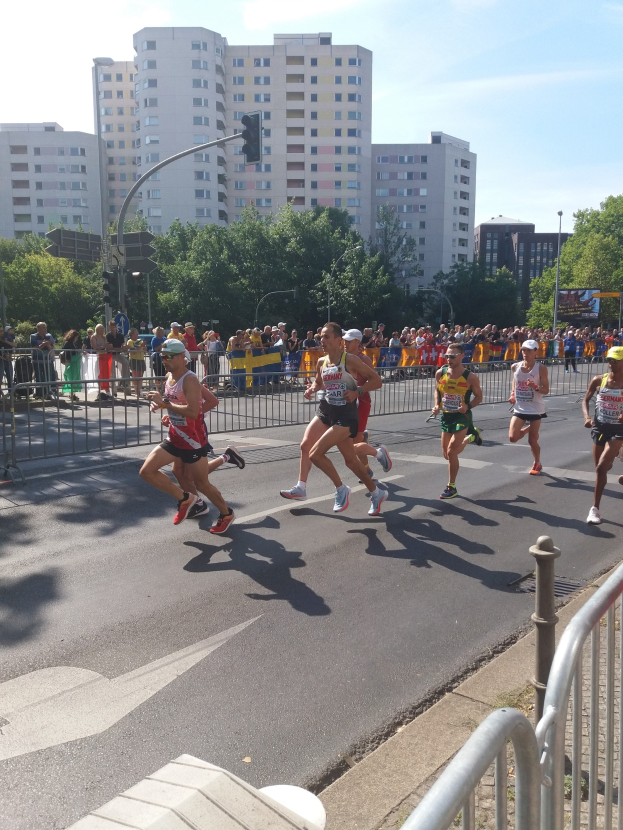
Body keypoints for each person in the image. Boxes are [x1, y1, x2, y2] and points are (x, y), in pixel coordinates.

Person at [280, 322, 389, 516]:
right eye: (321, 337)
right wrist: (312, 389)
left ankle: (341, 489)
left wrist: (358, 391)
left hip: (345, 415)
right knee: (348, 460)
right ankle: (377, 492)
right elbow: (319, 382)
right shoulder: (321, 362)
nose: (322, 340)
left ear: (339, 340)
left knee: (316, 454)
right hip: (326, 410)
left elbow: (377, 380)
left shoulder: (351, 360)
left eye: (327, 337)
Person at [141, 339, 244, 533]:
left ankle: (226, 513)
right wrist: (165, 411)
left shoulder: (190, 379)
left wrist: (167, 406)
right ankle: (186, 499)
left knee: (201, 483)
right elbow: (173, 403)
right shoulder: (169, 376)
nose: (164, 360)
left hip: (192, 439)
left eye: (168, 356)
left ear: (182, 357)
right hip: (175, 436)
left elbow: (192, 411)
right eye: (162, 356)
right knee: (147, 471)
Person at [432, 342, 483, 499]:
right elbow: (437, 391)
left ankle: (451, 487)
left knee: (451, 451)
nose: (449, 359)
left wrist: (467, 406)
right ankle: (471, 437)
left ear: (462, 356)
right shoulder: (440, 373)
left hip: (462, 416)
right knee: (447, 456)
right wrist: (436, 405)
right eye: (447, 356)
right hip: (446, 416)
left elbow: (479, 397)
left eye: (452, 356)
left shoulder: (470, 377)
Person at [341, 329, 392, 478]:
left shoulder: (364, 360)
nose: (345, 343)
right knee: (349, 442)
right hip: (345, 404)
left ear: (358, 342)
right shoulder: (342, 358)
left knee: (353, 444)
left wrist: (359, 391)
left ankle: (378, 454)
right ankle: (367, 469)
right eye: (344, 340)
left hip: (361, 403)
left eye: (349, 341)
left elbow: (376, 382)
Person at [166, 382, 221, 518]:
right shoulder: (171, 378)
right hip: (179, 431)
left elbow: (212, 401)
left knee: (194, 478)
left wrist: (190, 415)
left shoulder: (189, 379)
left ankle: (213, 508)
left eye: (168, 358)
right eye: (164, 359)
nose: (166, 362)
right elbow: (177, 407)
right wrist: (172, 417)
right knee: (177, 471)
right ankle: (197, 503)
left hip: (194, 433)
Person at [582, 346, 623, 524]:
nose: (610, 364)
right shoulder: (599, 380)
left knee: (601, 468)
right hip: (599, 428)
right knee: (600, 470)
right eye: (609, 360)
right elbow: (585, 399)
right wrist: (587, 417)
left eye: (615, 360)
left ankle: (594, 509)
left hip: (619, 430)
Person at [508, 339, 549, 475]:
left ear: (536, 352)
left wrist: (535, 386)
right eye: (524, 350)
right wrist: (513, 394)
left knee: (532, 441)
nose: (525, 353)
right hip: (520, 407)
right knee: (512, 438)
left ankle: (537, 463)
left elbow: (546, 390)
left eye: (529, 350)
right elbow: (515, 380)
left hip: (535, 408)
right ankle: (527, 430)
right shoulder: (515, 366)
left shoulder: (541, 368)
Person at [30, 321, 56, 400]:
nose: (45, 329)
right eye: (43, 328)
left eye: (46, 327)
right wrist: (43, 345)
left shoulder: (49, 336)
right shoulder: (33, 336)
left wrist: (48, 346)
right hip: (37, 360)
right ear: (38, 329)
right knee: (39, 377)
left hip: (47, 360)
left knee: (48, 377)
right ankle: (39, 394)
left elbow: (53, 347)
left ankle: (48, 393)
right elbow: (34, 348)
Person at [106, 320, 131, 395]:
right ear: (109, 328)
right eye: (111, 327)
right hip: (110, 355)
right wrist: (118, 348)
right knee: (112, 372)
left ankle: (123, 380)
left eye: (114, 327)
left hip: (118, 354)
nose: (113, 329)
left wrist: (122, 348)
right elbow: (109, 348)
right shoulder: (108, 336)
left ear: (116, 327)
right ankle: (114, 391)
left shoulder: (120, 336)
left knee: (126, 362)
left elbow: (122, 346)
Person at [61, 329, 83, 402]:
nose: (76, 339)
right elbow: (69, 352)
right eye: (76, 337)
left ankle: (72, 394)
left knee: (74, 378)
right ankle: (71, 394)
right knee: (71, 378)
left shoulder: (73, 343)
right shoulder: (68, 343)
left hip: (74, 362)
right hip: (70, 362)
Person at [91, 324, 112, 400]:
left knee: (106, 374)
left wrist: (109, 347)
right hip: (96, 357)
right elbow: (95, 347)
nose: (101, 330)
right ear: (96, 329)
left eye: (102, 328)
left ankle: (108, 392)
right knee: (98, 375)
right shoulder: (93, 337)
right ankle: (98, 393)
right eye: (100, 328)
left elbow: (106, 346)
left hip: (104, 357)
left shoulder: (104, 337)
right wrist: (103, 347)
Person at [126, 328, 147, 397]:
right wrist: (141, 346)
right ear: (132, 334)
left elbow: (144, 349)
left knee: (140, 376)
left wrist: (144, 346)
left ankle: (139, 390)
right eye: (136, 332)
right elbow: (133, 351)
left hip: (141, 359)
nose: (137, 333)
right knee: (135, 376)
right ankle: (136, 392)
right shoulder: (130, 341)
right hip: (134, 359)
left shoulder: (140, 340)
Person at [151, 326, 167, 394]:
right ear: (158, 332)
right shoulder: (154, 339)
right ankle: (158, 389)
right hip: (156, 358)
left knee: (164, 374)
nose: (163, 333)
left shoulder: (164, 338)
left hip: (164, 358)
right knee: (158, 374)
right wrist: (162, 345)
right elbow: (156, 349)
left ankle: (163, 389)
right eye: (162, 331)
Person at [0, 324, 14, 395]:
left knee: (10, 378)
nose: (2, 333)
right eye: (0, 331)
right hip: (1, 361)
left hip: (6, 361)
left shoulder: (4, 340)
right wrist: (4, 358)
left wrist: (8, 357)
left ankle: (11, 394)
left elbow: (9, 348)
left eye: (2, 331)